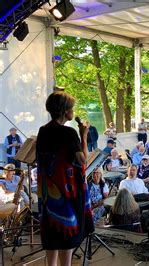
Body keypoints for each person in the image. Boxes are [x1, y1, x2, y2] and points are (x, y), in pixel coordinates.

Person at [36, 91, 93, 265]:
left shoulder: (43, 131)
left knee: (52, 234)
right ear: (65, 111)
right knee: (66, 232)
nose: (73, 111)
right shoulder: (68, 133)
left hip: (47, 192)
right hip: (66, 191)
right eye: (71, 108)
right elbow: (83, 160)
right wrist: (83, 136)